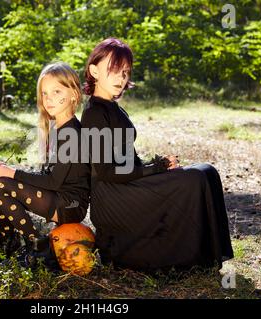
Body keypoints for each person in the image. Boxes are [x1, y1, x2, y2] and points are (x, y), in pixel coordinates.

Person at [80, 38, 233, 272]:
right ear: (94, 70)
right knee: (194, 179)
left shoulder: (112, 107)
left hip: (127, 181)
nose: (121, 78)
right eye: (113, 70)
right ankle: (188, 259)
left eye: (125, 72)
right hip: (114, 196)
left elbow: (127, 160)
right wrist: (156, 169)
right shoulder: (94, 113)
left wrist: (157, 164)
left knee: (207, 172)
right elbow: (106, 171)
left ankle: (208, 256)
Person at [0, 62, 90, 268]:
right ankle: (8, 242)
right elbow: (50, 175)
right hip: (57, 197)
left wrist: (12, 173)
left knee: (2, 184)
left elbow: (55, 181)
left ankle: (40, 249)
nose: (48, 99)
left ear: (74, 95)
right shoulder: (56, 128)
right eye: (44, 93)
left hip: (70, 204)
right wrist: (5, 172)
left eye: (56, 91)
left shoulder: (72, 133)